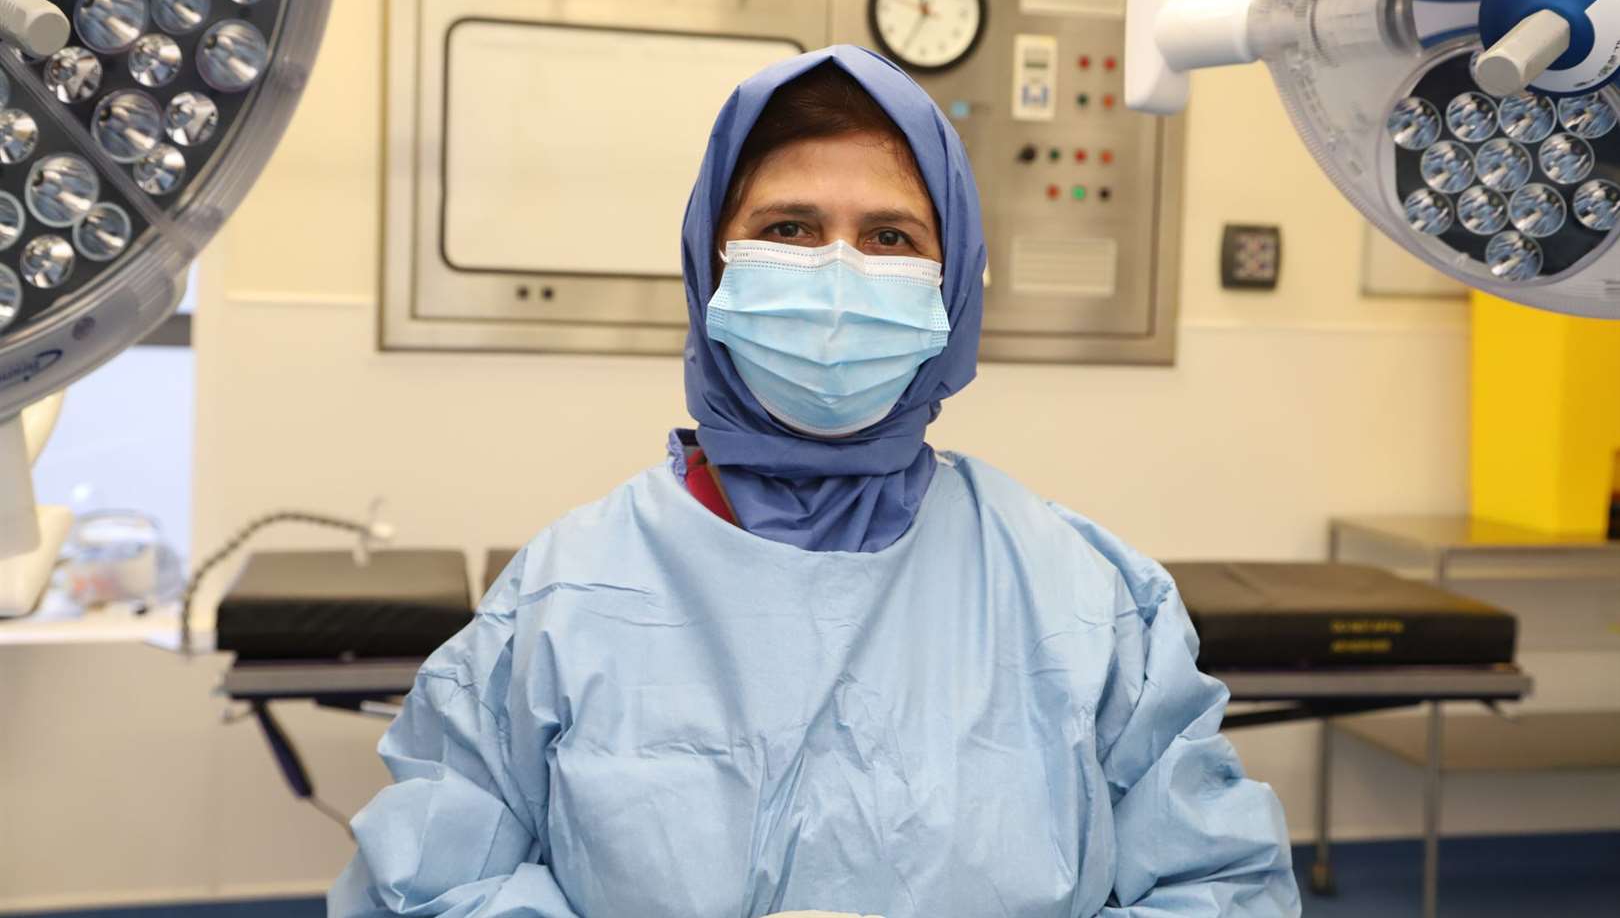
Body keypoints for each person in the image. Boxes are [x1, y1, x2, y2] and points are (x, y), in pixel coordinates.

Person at [328, 45, 1300, 917]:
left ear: (954, 285)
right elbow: (432, 888)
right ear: (711, 268)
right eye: (789, 229)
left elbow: (1219, 889)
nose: (837, 277)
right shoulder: (565, 597)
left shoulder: (1085, 600)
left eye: (889, 239)